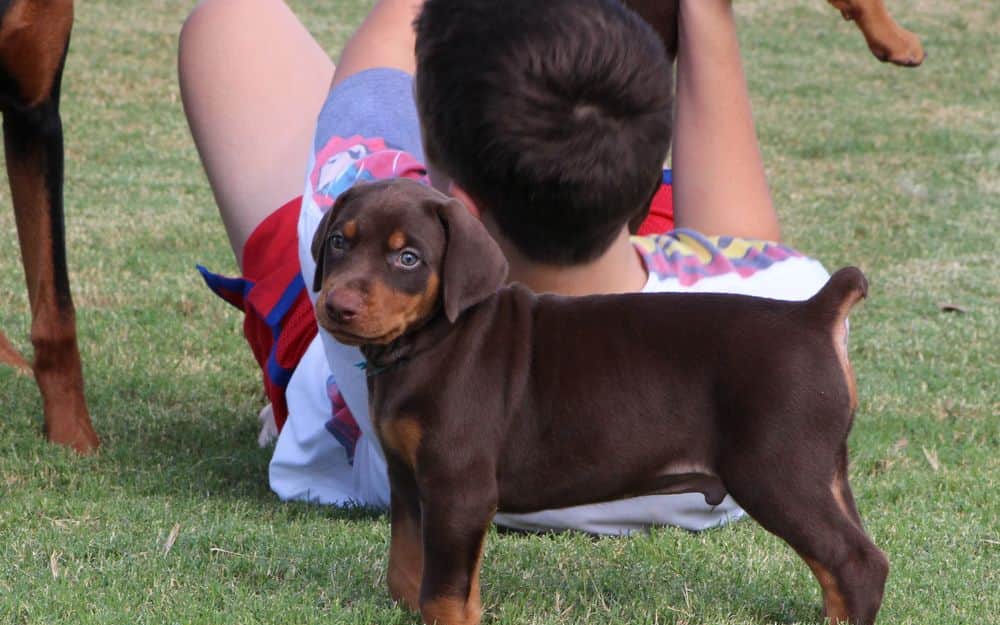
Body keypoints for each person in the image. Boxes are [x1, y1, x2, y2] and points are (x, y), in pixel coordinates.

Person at [179, 0, 830, 535]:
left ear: (453, 203)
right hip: (645, 373)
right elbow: (743, 241)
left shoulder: (362, 192)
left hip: (362, 432)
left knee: (230, 23)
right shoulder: (782, 306)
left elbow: (374, 78)